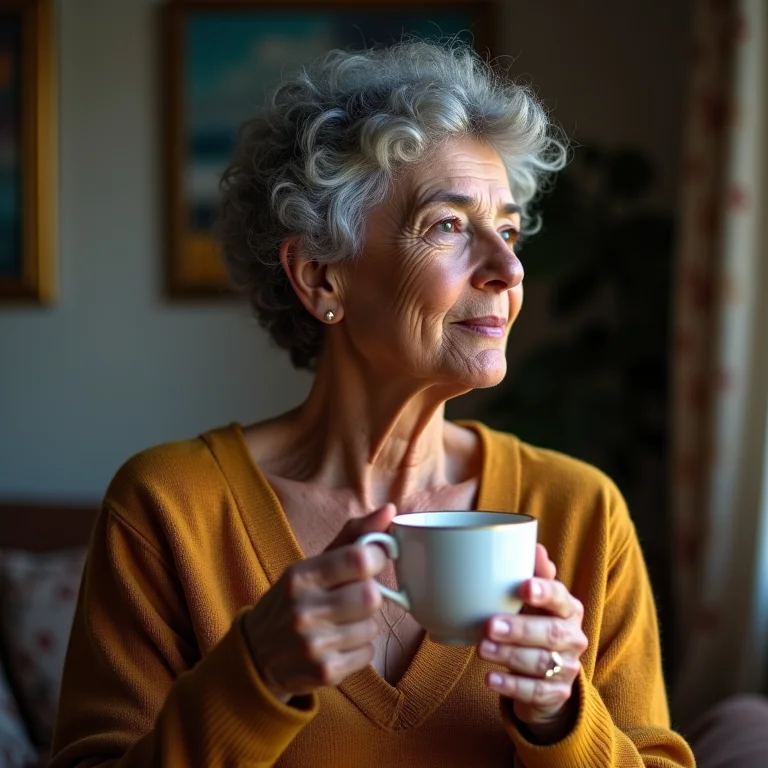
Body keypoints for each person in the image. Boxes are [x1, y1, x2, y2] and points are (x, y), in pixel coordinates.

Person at [50, 41, 694, 767]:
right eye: (449, 225)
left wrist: (560, 716)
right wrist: (255, 677)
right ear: (322, 277)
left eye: (508, 231)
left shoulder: (581, 511)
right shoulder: (169, 508)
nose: (510, 269)